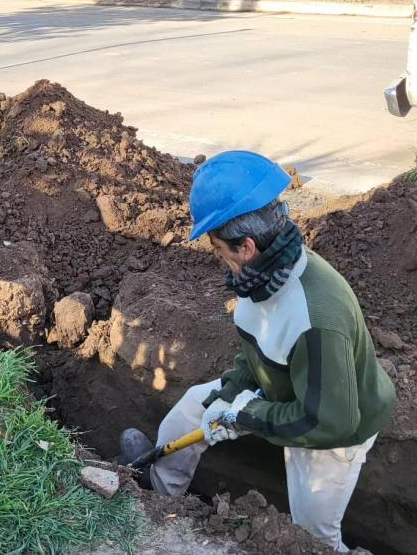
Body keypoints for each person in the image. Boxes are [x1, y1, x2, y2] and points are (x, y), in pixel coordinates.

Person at [120, 151, 395, 552]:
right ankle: (156, 496)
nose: (219, 260)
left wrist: (247, 415)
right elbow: (256, 355)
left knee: (311, 535)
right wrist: (230, 398)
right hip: (290, 390)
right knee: (193, 407)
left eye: (218, 250)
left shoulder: (315, 317)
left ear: (246, 246)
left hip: (334, 428)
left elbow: (327, 422)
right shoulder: (262, 280)